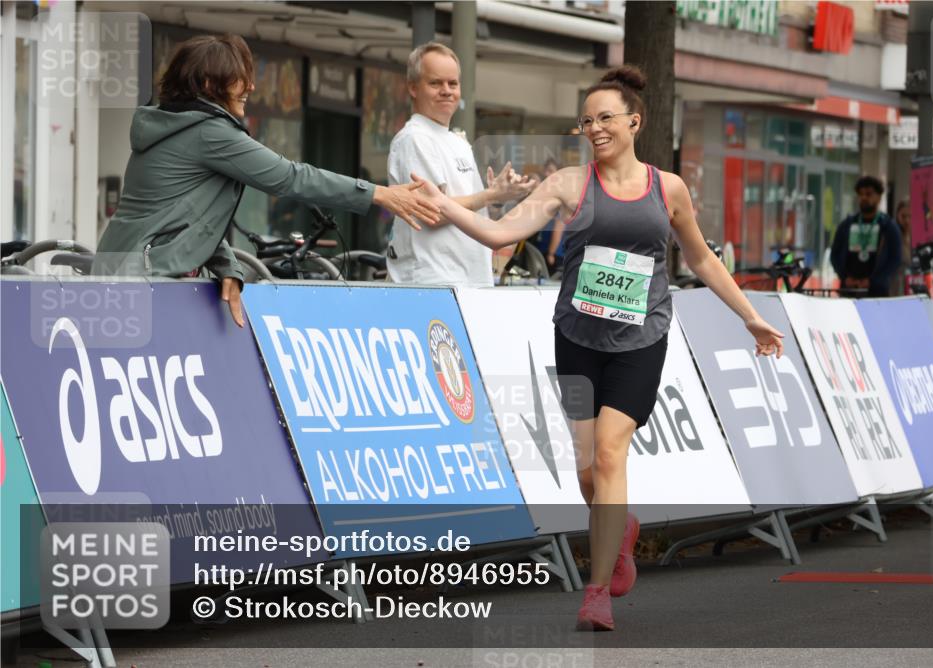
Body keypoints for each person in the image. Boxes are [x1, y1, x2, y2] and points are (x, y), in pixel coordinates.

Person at [411, 65, 784, 631]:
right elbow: (498, 233)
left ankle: (595, 591)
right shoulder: (568, 183)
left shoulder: (669, 189)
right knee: (588, 474)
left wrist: (752, 317)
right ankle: (622, 530)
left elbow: (703, 259)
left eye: (606, 117)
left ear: (635, 121)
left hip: (642, 338)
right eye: (587, 120)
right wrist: (444, 203)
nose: (595, 128)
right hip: (579, 338)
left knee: (611, 453)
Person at [93, 34, 439, 326]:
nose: (251, 87)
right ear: (209, 84)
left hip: (129, 273)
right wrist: (377, 193)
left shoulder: (179, 127)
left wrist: (226, 265)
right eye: (240, 78)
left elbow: (188, 220)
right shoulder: (209, 133)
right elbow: (289, 177)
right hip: (142, 280)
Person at [386, 42, 537, 287]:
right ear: (413, 88)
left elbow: (465, 207)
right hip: (433, 282)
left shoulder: (454, 140)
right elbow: (432, 213)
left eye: (453, 83)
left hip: (467, 281)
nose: (447, 90)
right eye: (435, 83)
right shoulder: (415, 138)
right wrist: (489, 195)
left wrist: (499, 195)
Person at [830, 176, 902, 298]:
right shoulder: (846, 224)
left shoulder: (888, 226)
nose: (864, 198)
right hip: (848, 290)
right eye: (861, 194)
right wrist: (844, 277)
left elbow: (895, 259)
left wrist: (874, 281)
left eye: (869, 194)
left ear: (879, 197)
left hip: (877, 293)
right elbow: (835, 255)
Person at [532, 158, 568, 272]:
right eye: (546, 170)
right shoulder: (547, 195)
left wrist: (551, 253)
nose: (547, 174)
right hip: (542, 250)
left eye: (551, 170)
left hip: (555, 255)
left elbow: (559, 226)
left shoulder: (561, 196)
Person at [893, 200, 911, 296]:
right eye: (903, 216)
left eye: (910, 216)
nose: (907, 220)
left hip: (912, 283)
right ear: (897, 216)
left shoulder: (915, 237)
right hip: (896, 283)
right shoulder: (893, 235)